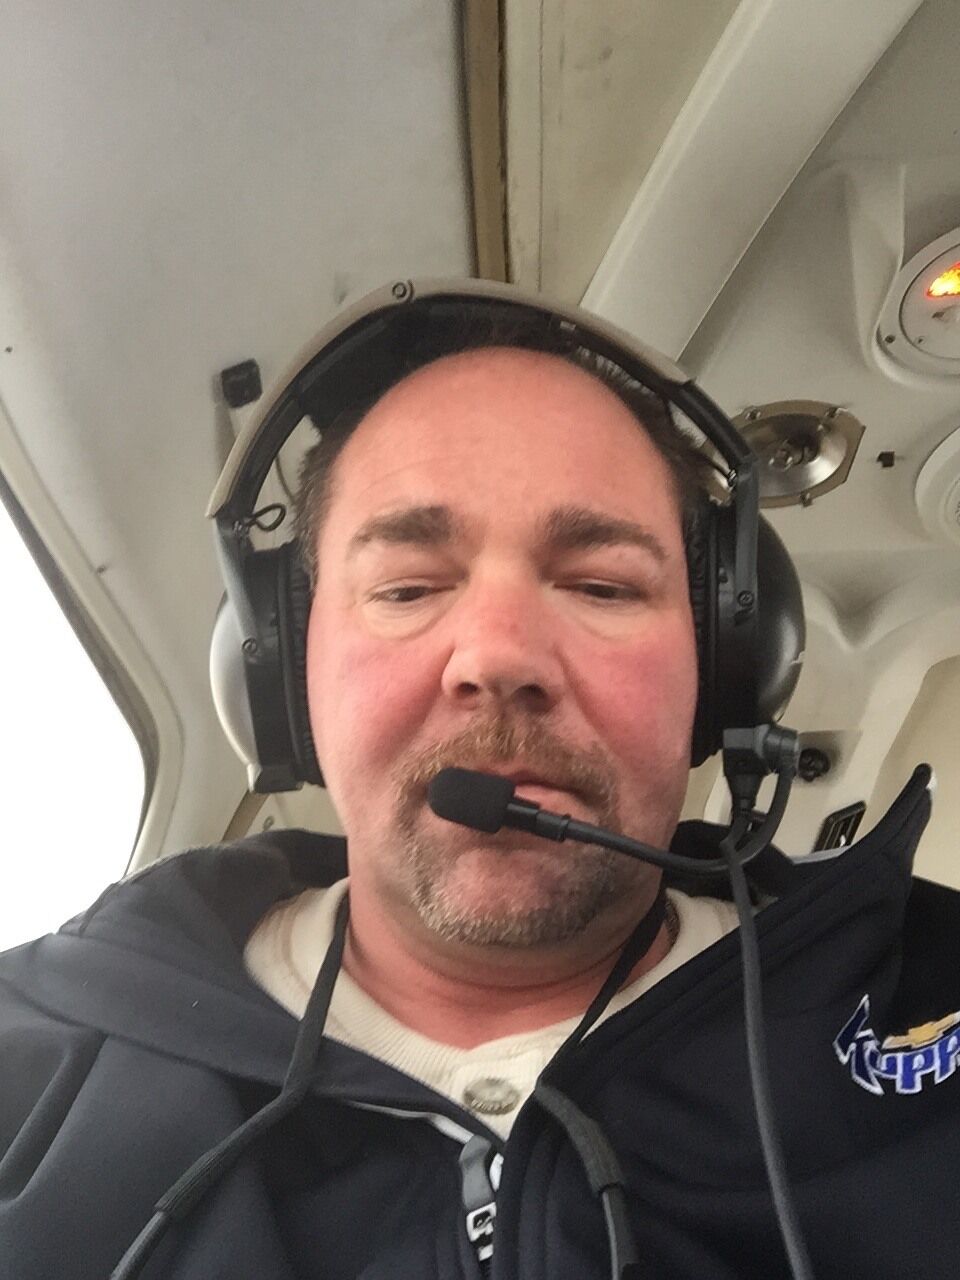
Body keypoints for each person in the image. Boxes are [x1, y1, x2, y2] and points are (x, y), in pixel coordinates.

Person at [0, 281, 957, 1280]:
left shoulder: (931, 1000)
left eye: (601, 585)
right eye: (408, 587)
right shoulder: (29, 1075)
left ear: (727, 666)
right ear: (281, 674)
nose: (499, 656)